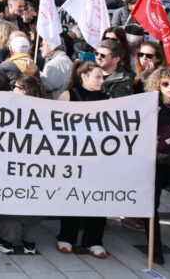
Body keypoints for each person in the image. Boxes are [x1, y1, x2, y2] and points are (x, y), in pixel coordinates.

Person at [56, 61, 109, 258]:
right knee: (72, 197)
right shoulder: (68, 96)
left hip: (98, 158)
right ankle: (66, 237)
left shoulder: (107, 98)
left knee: (98, 198)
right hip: (72, 157)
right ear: (84, 76)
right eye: (98, 76)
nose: (102, 80)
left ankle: (94, 240)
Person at [0, 76, 45, 255]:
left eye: (15, 86)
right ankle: (29, 243)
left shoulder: (12, 108)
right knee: (32, 198)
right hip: (37, 164)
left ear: (23, 90)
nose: (11, 88)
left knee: (13, 197)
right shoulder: (46, 109)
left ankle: (6, 240)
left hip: (14, 162)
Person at [147, 66, 170, 264]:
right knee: (151, 207)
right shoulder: (149, 105)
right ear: (157, 84)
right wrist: (150, 115)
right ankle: (155, 251)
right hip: (155, 164)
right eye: (165, 84)